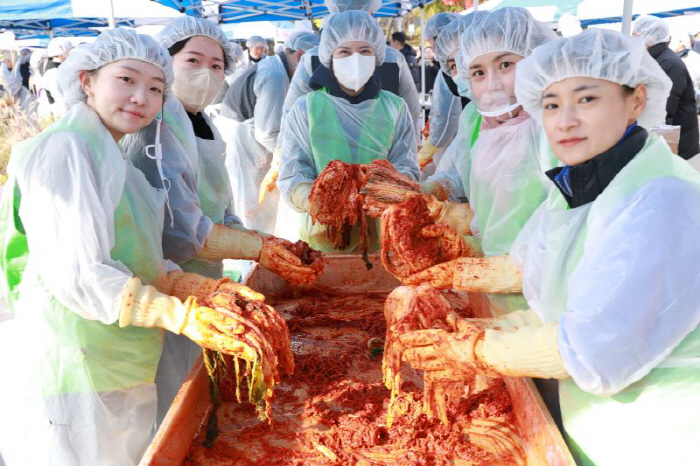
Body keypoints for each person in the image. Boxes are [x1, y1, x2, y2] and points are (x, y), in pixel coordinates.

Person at [398, 28, 700, 466]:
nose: (565, 120)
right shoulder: (578, 188)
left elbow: (594, 349)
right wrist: (466, 311)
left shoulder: (663, 201)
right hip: (597, 426)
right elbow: (535, 276)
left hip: (656, 436)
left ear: (635, 100)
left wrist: (473, 351)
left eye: (587, 99)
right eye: (552, 104)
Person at [0, 27, 266, 466]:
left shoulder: (114, 154)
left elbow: (139, 253)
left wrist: (192, 286)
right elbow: (81, 275)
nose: (140, 97)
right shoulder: (66, 149)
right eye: (126, 80)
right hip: (81, 361)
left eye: (155, 88)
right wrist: (179, 314)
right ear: (86, 80)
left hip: (120, 357)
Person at [412, 7, 557, 318]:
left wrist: (497, 266)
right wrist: (428, 194)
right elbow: (464, 180)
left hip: (548, 304)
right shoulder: (477, 119)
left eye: (506, 64)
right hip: (492, 293)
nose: (492, 84)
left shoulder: (557, 129)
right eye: (477, 71)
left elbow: (565, 226)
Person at [278, 10, 419, 253]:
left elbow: (406, 167)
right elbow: (293, 172)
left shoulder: (395, 107)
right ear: (329, 57)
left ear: (377, 55)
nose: (355, 59)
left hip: (383, 233)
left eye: (365, 50)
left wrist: (382, 191)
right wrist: (318, 200)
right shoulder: (306, 108)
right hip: (323, 233)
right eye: (344, 51)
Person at [279, 0, 421, 143]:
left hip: (326, 155)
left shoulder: (312, 57)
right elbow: (412, 113)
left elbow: (290, 117)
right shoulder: (394, 58)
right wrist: (413, 146)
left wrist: (283, 151)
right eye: (345, 52)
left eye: (364, 51)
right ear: (371, 9)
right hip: (381, 155)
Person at [219, 31, 319, 233]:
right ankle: (253, 261)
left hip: (251, 141)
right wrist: (296, 156)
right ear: (300, 57)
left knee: (262, 208)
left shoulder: (275, 66)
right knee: (253, 210)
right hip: (245, 143)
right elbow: (267, 132)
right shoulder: (275, 75)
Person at [634, 15, 699, 159]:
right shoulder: (655, 60)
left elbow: (663, 111)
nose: (633, 39)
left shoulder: (669, 64)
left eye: (636, 34)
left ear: (649, 36)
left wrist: (662, 150)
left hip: (679, 146)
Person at [417, 12, 462, 174]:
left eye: (431, 41)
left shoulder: (449, 71)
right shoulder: (461, 61)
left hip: (456, 148)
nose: (432, 46)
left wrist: (425, 153)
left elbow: (446, 119)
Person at [37, 37, 73, 119]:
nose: (71, 52)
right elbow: (59, 98)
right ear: (61, 51)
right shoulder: (53, 71)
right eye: (69, 50)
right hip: (59, 115)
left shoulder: (57, 68)